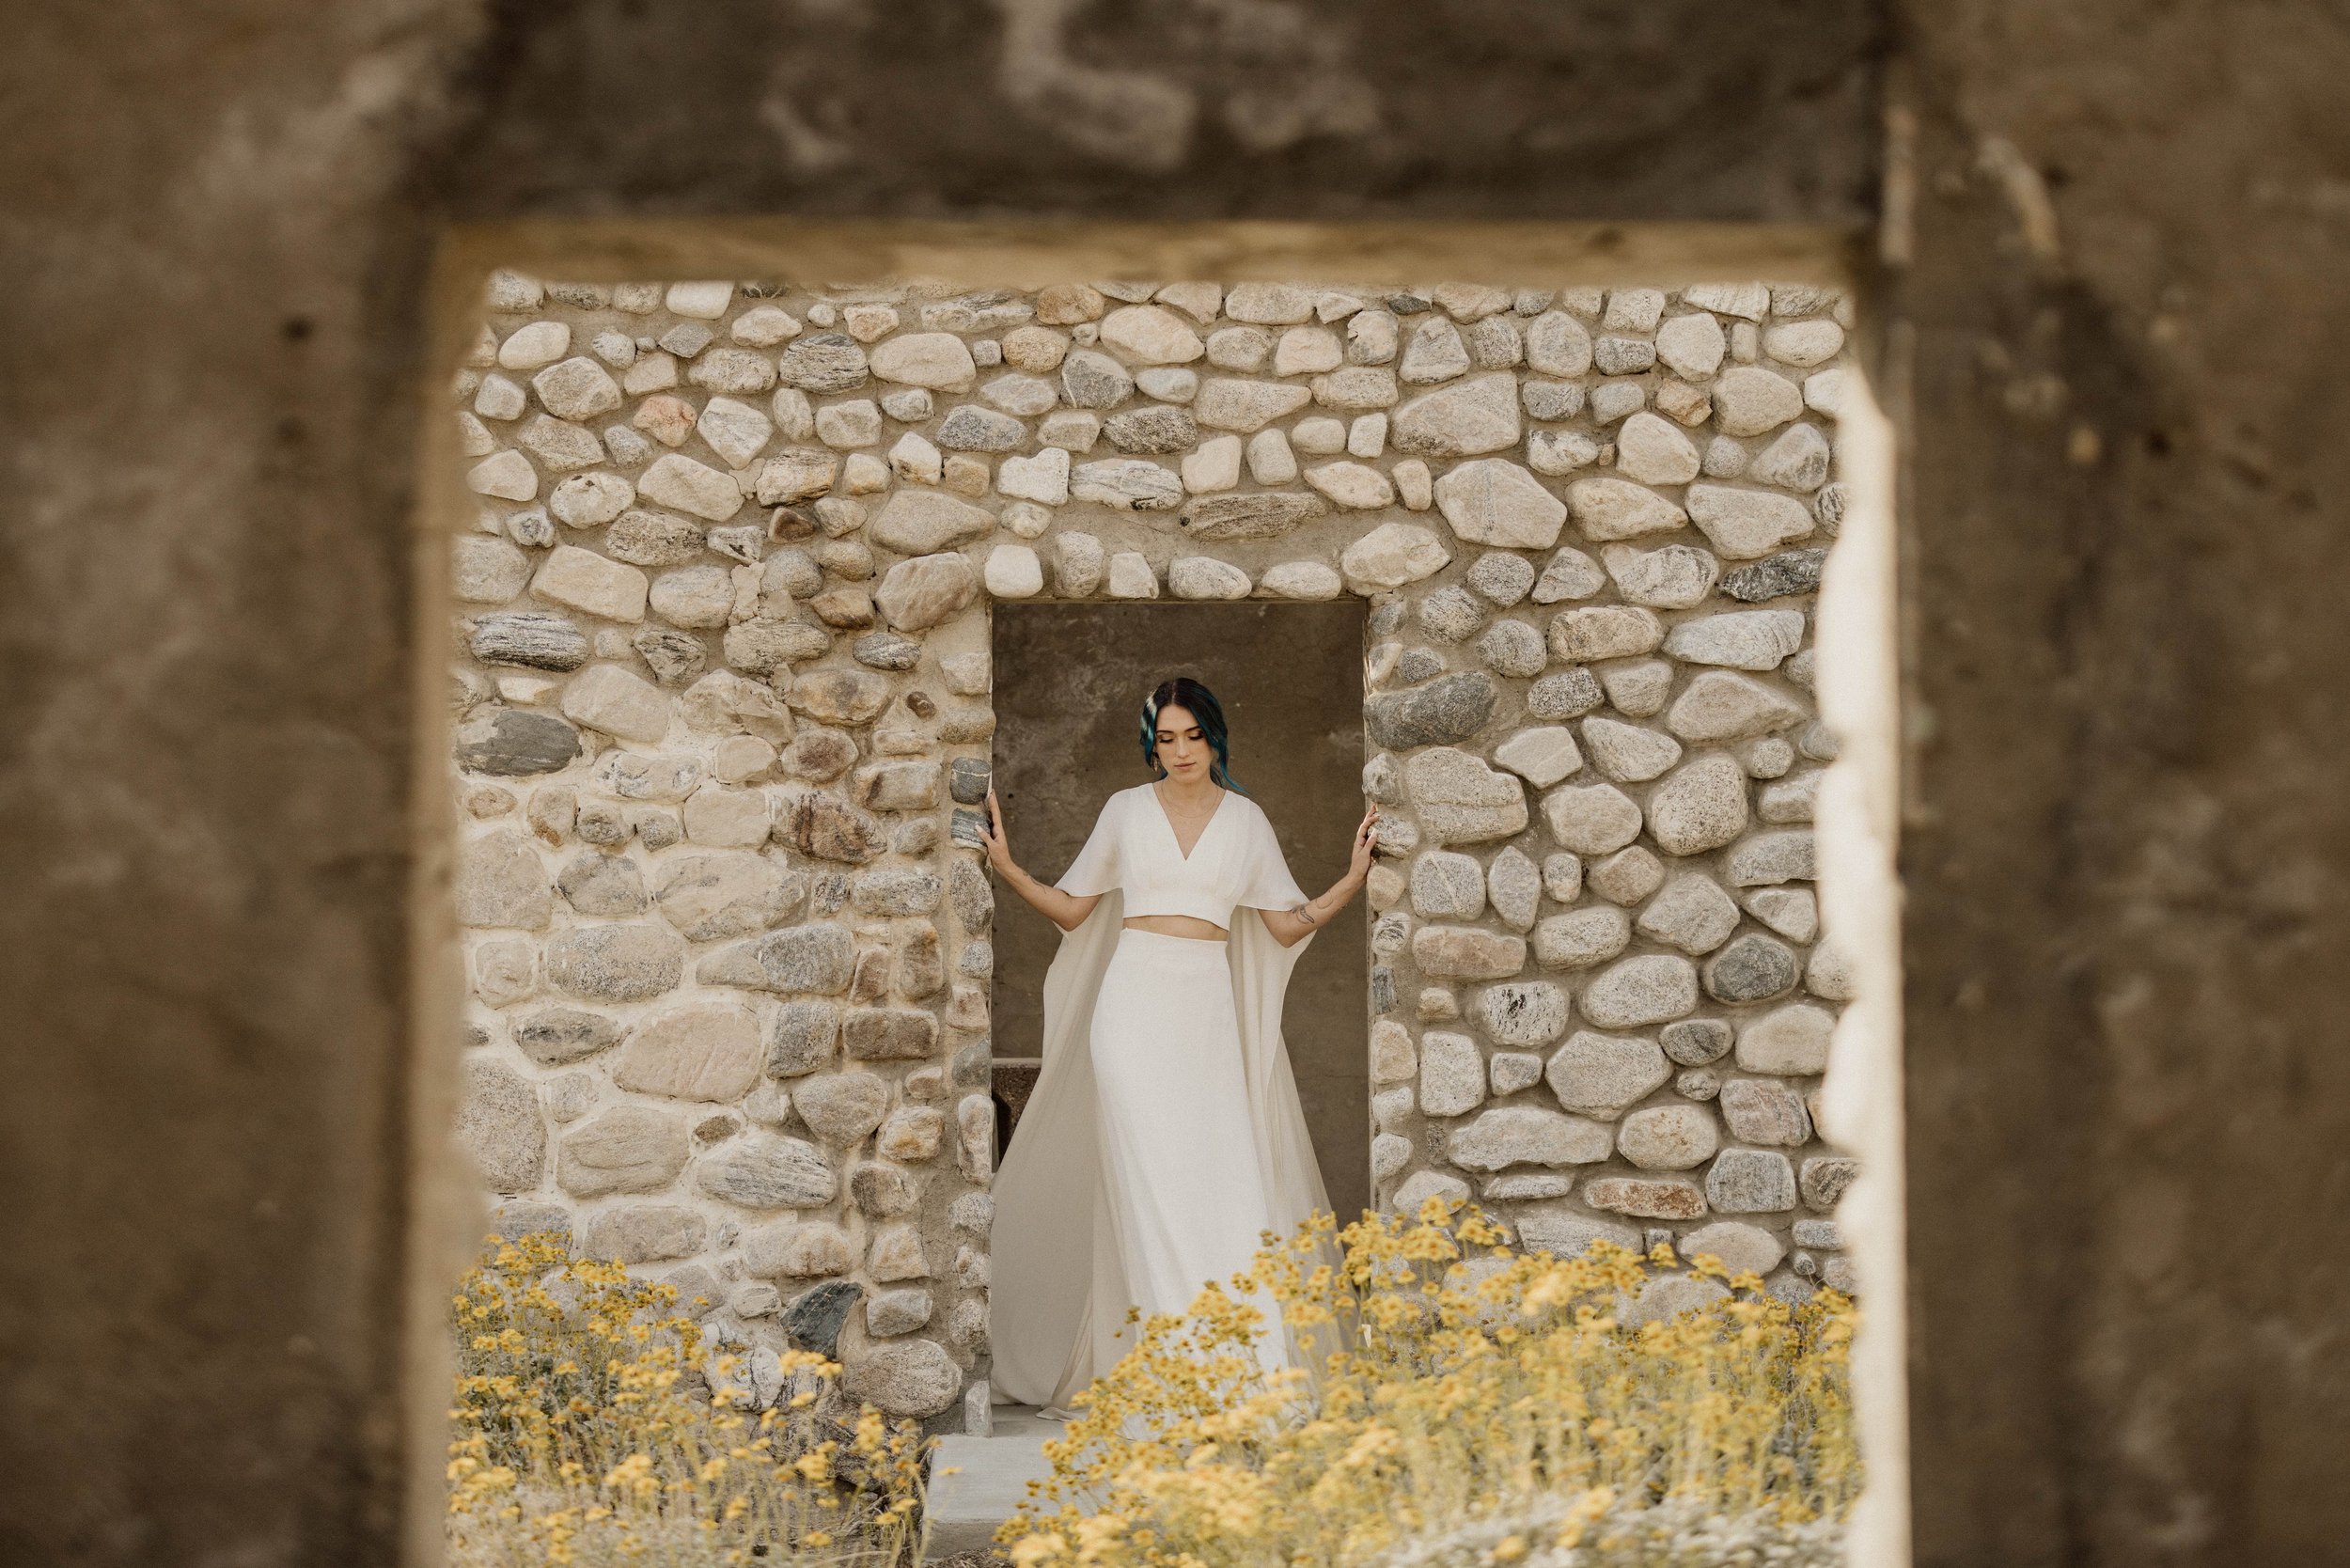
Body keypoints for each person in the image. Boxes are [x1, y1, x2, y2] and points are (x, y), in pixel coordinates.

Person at [976, 677, 1377, 1416]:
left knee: (1221, 1184)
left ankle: (1241, 1370)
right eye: (1167, 738)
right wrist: (1009, 870)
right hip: (1130, 1010)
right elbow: (1074, 911)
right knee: (1146, 1183)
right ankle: (1168, 1374)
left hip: (1206, 1009)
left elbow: (1285, 926)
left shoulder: (1247, 822)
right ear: (1151, 743)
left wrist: (1351, 881)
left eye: (1193, 735)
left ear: (1215, 737)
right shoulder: (1125, 812)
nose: (1181, 751)